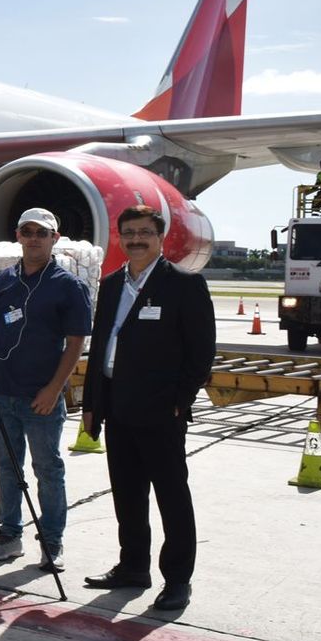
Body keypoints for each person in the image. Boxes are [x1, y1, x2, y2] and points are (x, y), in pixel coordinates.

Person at [81, 205, 214, 612]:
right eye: (129, 233)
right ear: (118, 238)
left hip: (161, 413)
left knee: (171, 497)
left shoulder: (183, 285)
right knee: (127, 495)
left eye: (144, 233)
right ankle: (133, 566)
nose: (136, 240)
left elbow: (201, 353)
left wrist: (180, 401)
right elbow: (100, 345)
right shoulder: (109, 284)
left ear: (161, 239)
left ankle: (177, 580)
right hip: (116, 407)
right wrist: (91, 405)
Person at [0, 207, 91, 574]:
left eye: (41, 232)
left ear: (54, 239)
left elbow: (76, 343)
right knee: (7, 468)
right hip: (2, 391)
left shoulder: (68, 286)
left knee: (48, 469)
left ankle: (51, 541)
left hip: (40, 396)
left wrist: (54, 389)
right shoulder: (3, 280)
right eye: (27, 231)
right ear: (18, 236)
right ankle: (9, 535)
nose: (34, 238)